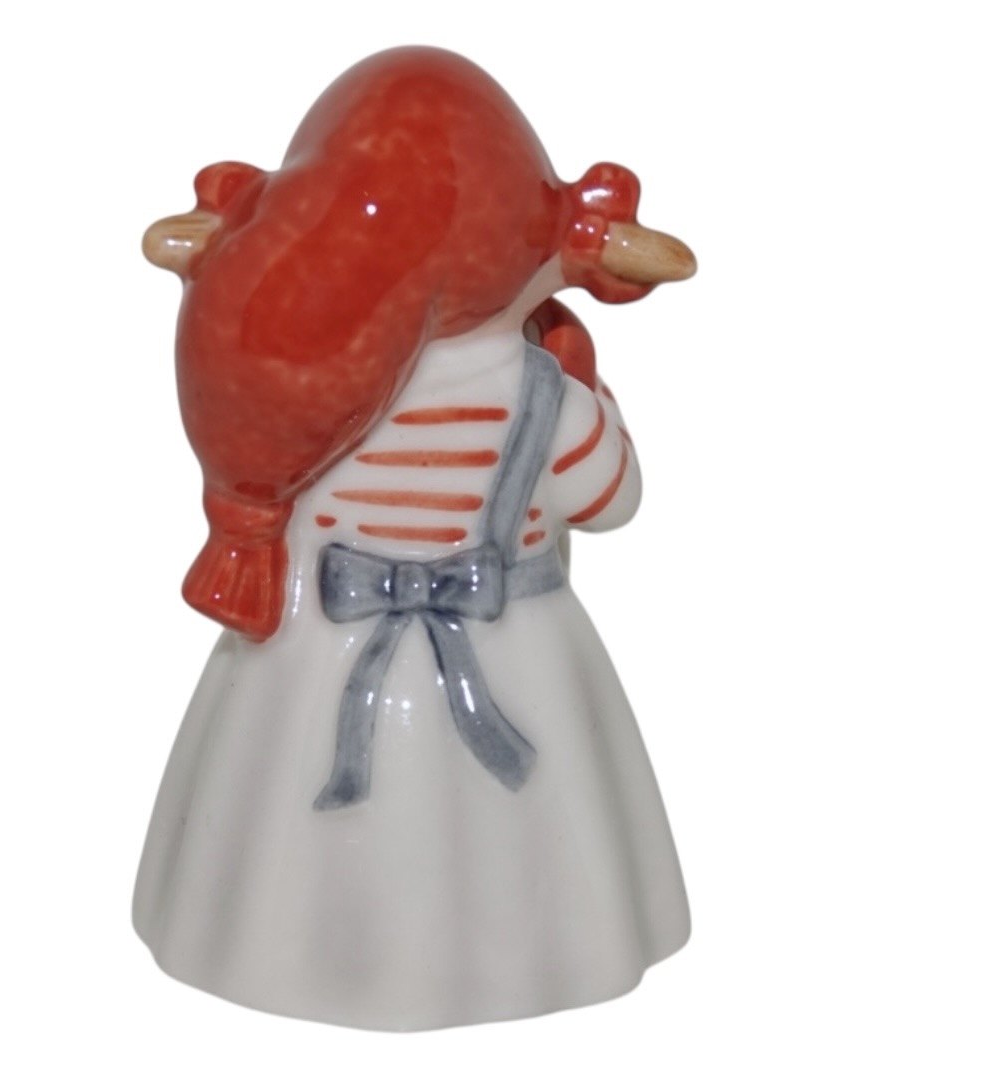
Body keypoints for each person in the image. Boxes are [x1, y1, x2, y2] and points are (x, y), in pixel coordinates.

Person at [135, 47, 696, 1030]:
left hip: (316, 643)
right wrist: (588, 388)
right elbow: (613, 497)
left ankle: (280, 950)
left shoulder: (310, 404)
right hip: (518, 641)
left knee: (280, 819)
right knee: (531, 830)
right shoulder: (545, 402)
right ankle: (529, 960)